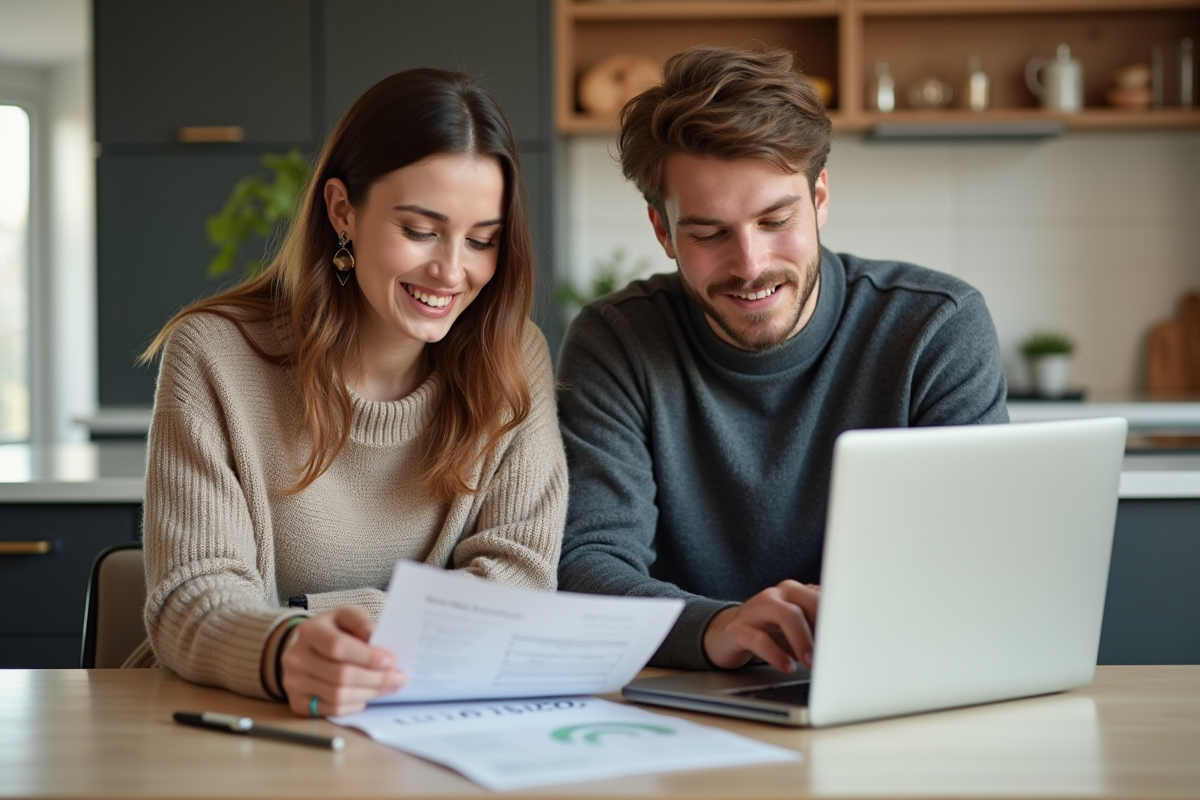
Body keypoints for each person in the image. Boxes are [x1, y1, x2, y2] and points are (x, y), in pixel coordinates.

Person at [127, 68, 568, 718]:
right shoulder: (215, 354)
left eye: (482, 240)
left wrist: (316, 618)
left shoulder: (512, 355)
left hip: (429, 715)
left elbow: (520, 582)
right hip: (238, 717)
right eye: (420, 230)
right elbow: (193, 593)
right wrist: (287, 648)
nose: (452, 270)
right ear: (342, 210)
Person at [556, 46, 1008, 676]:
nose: (750, 264)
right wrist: (716, 627)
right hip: (692, 695)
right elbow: (587, 563)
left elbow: (976, 562)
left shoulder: (935, 326)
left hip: (894, 683)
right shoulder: (617, 341)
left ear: (819, 197)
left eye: (776, 219)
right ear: (663, 232)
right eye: (709, 233)